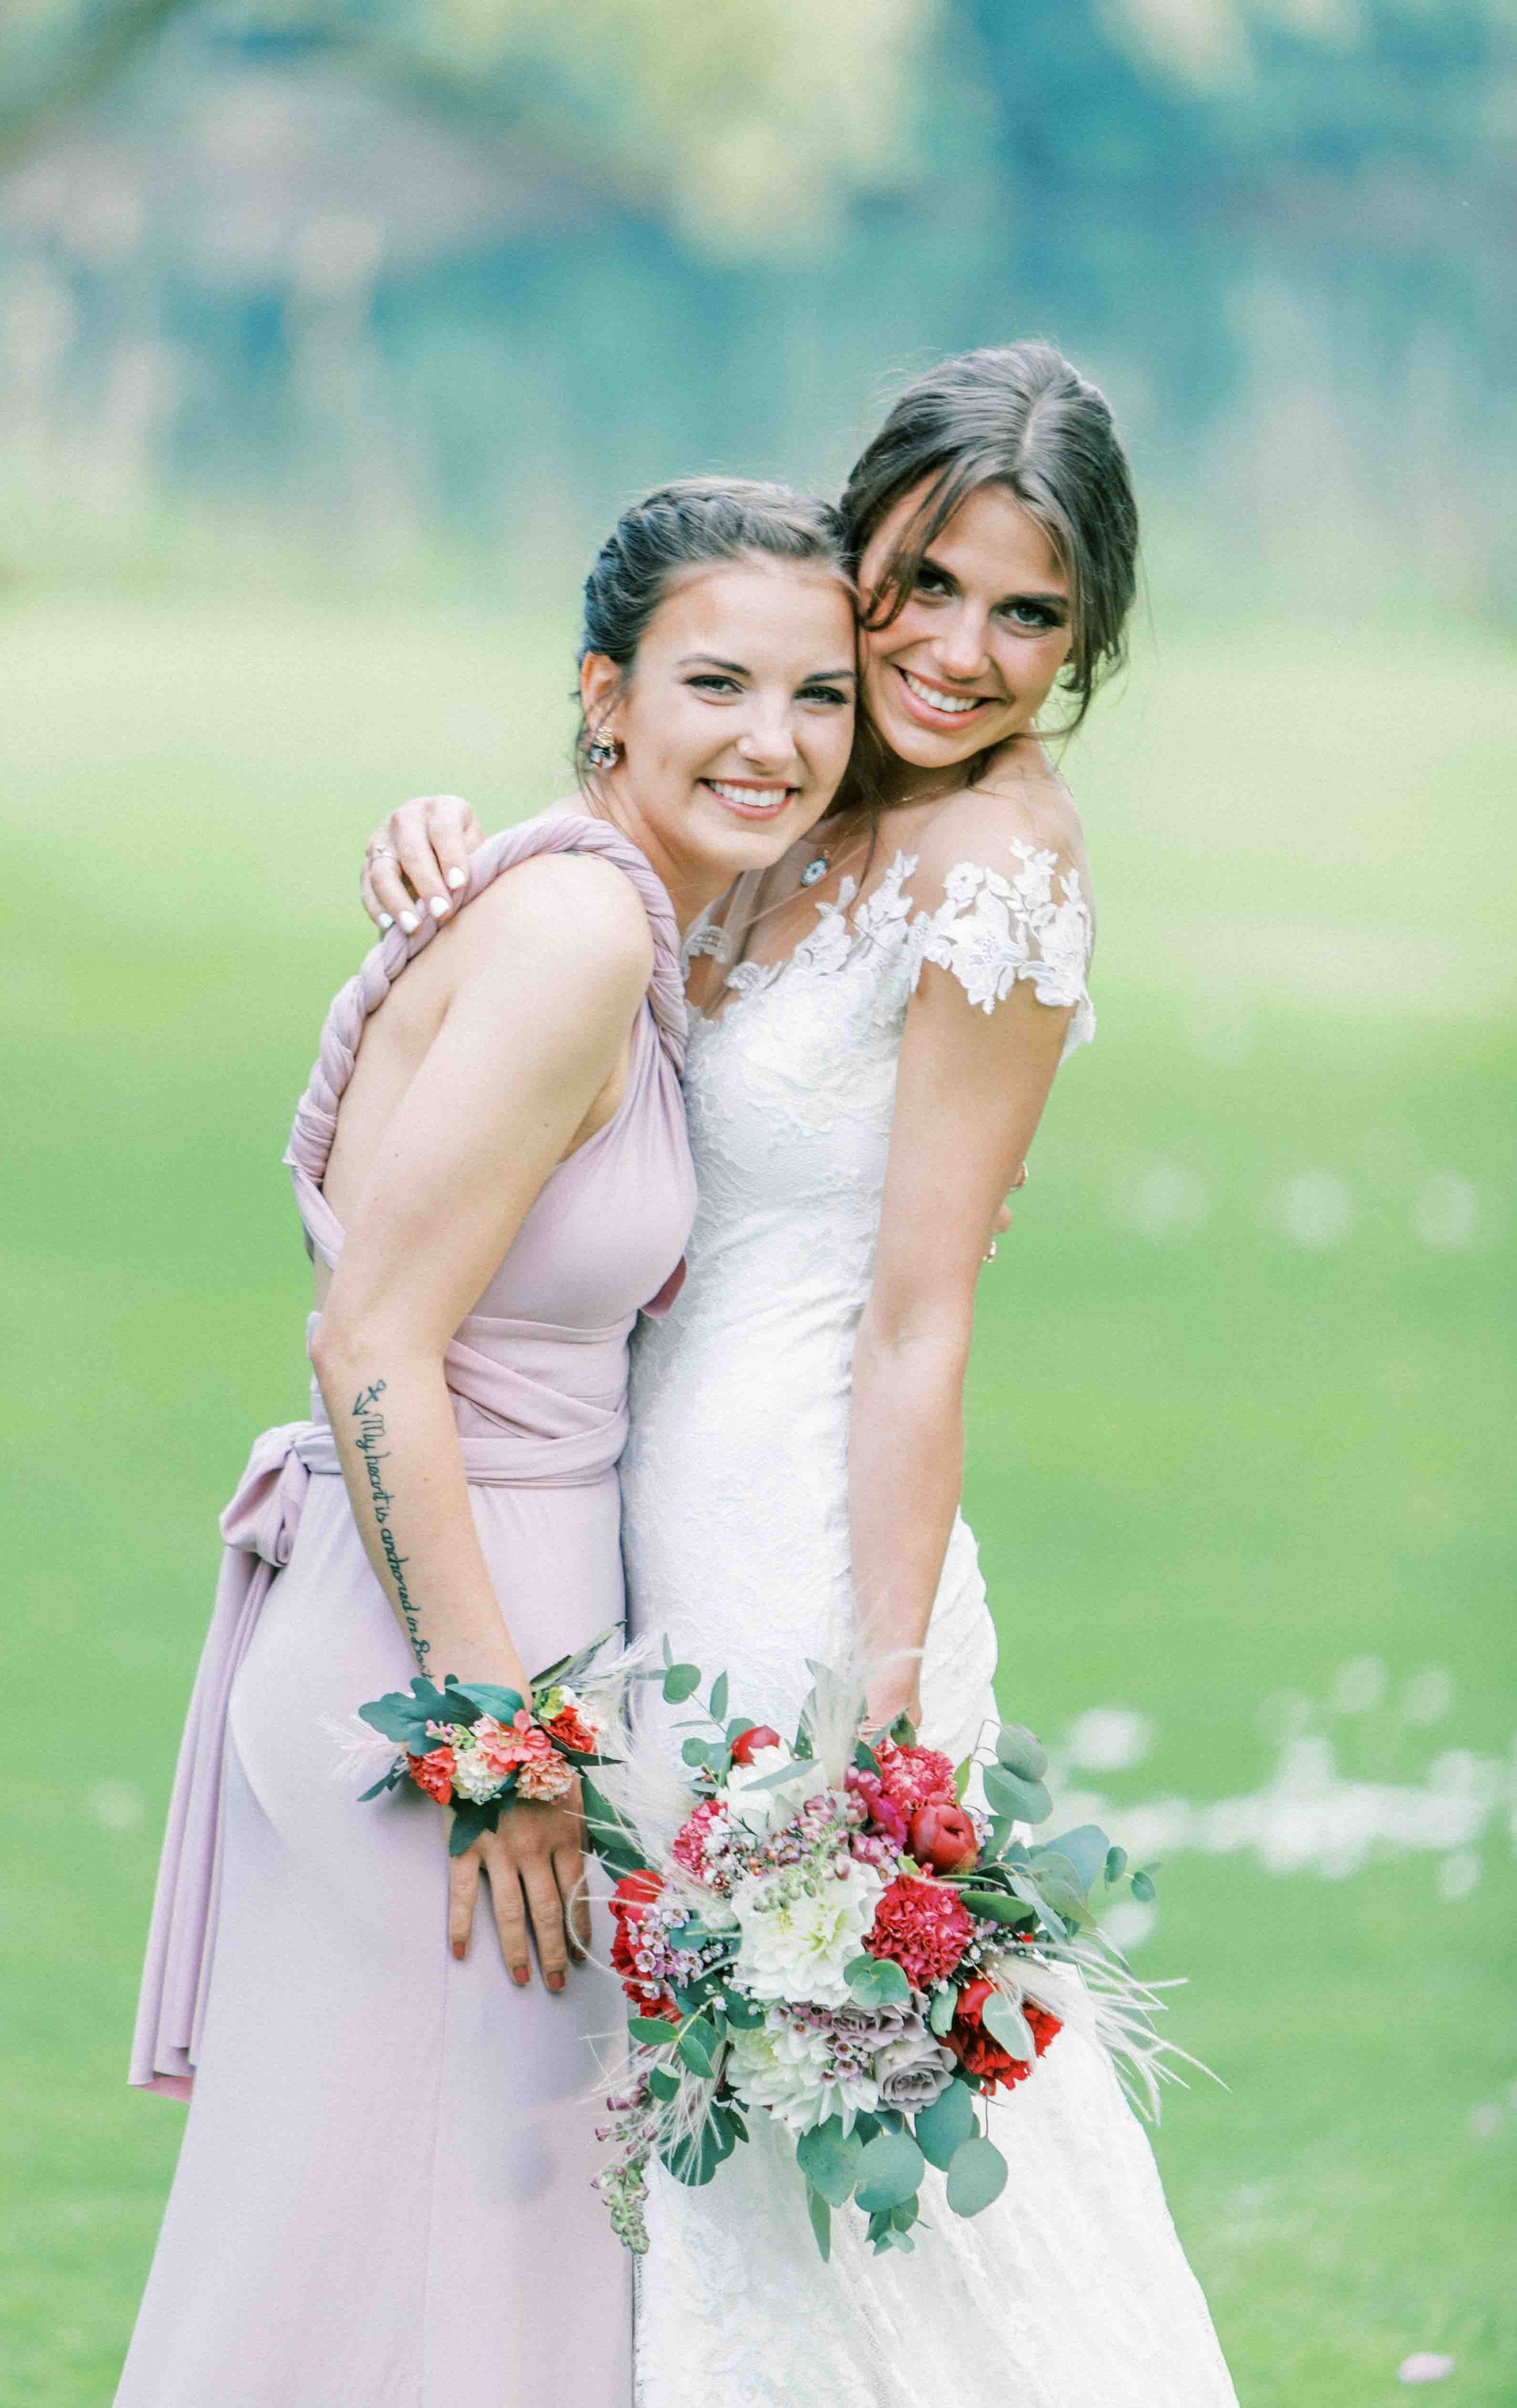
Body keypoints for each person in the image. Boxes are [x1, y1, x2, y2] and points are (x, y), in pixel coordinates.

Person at [357, 340, 1239, 2405]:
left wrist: (884, 1701)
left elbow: (924, 1312)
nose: (959, 650)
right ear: (854, 560)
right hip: (625, 1513)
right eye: (925, 585)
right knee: (678, 2129)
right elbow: (612, 917)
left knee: (846, 2159)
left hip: (799, 1560)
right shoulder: (815, 792)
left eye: (1031, 613)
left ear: (1090, 635)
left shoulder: (994, 863)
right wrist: (447, 846)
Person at [117, 479, 860, 2408]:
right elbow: (373, 1334)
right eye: (719, 682)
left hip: (437, 1632)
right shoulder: (576, 938)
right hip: (437, 1668)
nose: (774, 741)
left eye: (819, 696)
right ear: (604, 693)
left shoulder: (594, 902)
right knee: (436, 2298)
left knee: (384, 2285)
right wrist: (497, 1730)